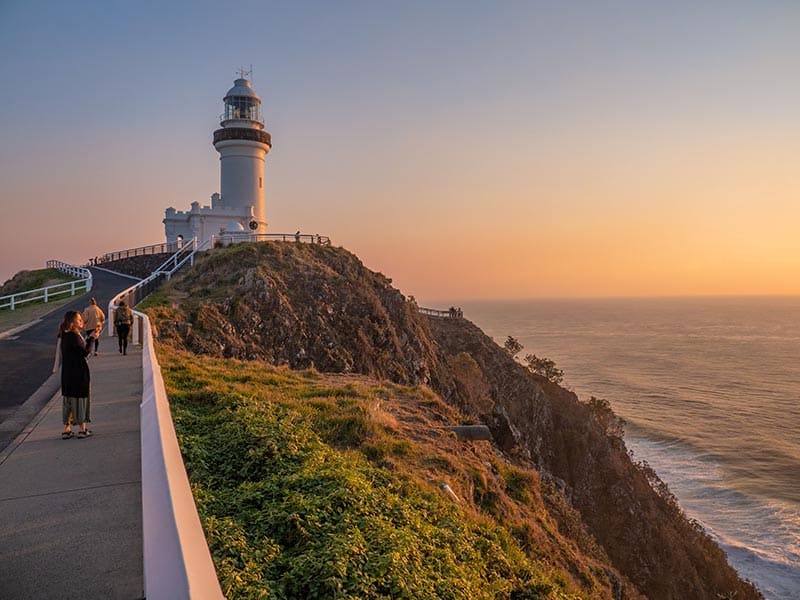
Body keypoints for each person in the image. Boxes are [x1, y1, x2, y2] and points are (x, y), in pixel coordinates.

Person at [59, 310, 94, 439]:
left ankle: (67, 430)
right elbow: (85, 352)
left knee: (68, 401)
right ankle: (82, 429)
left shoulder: (65, 336)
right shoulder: (74, 336)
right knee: (80, 400)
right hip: (78, 374)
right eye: (79, 320)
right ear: (72, 324)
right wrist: (91, 339)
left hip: (68, 374)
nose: (81, 321)